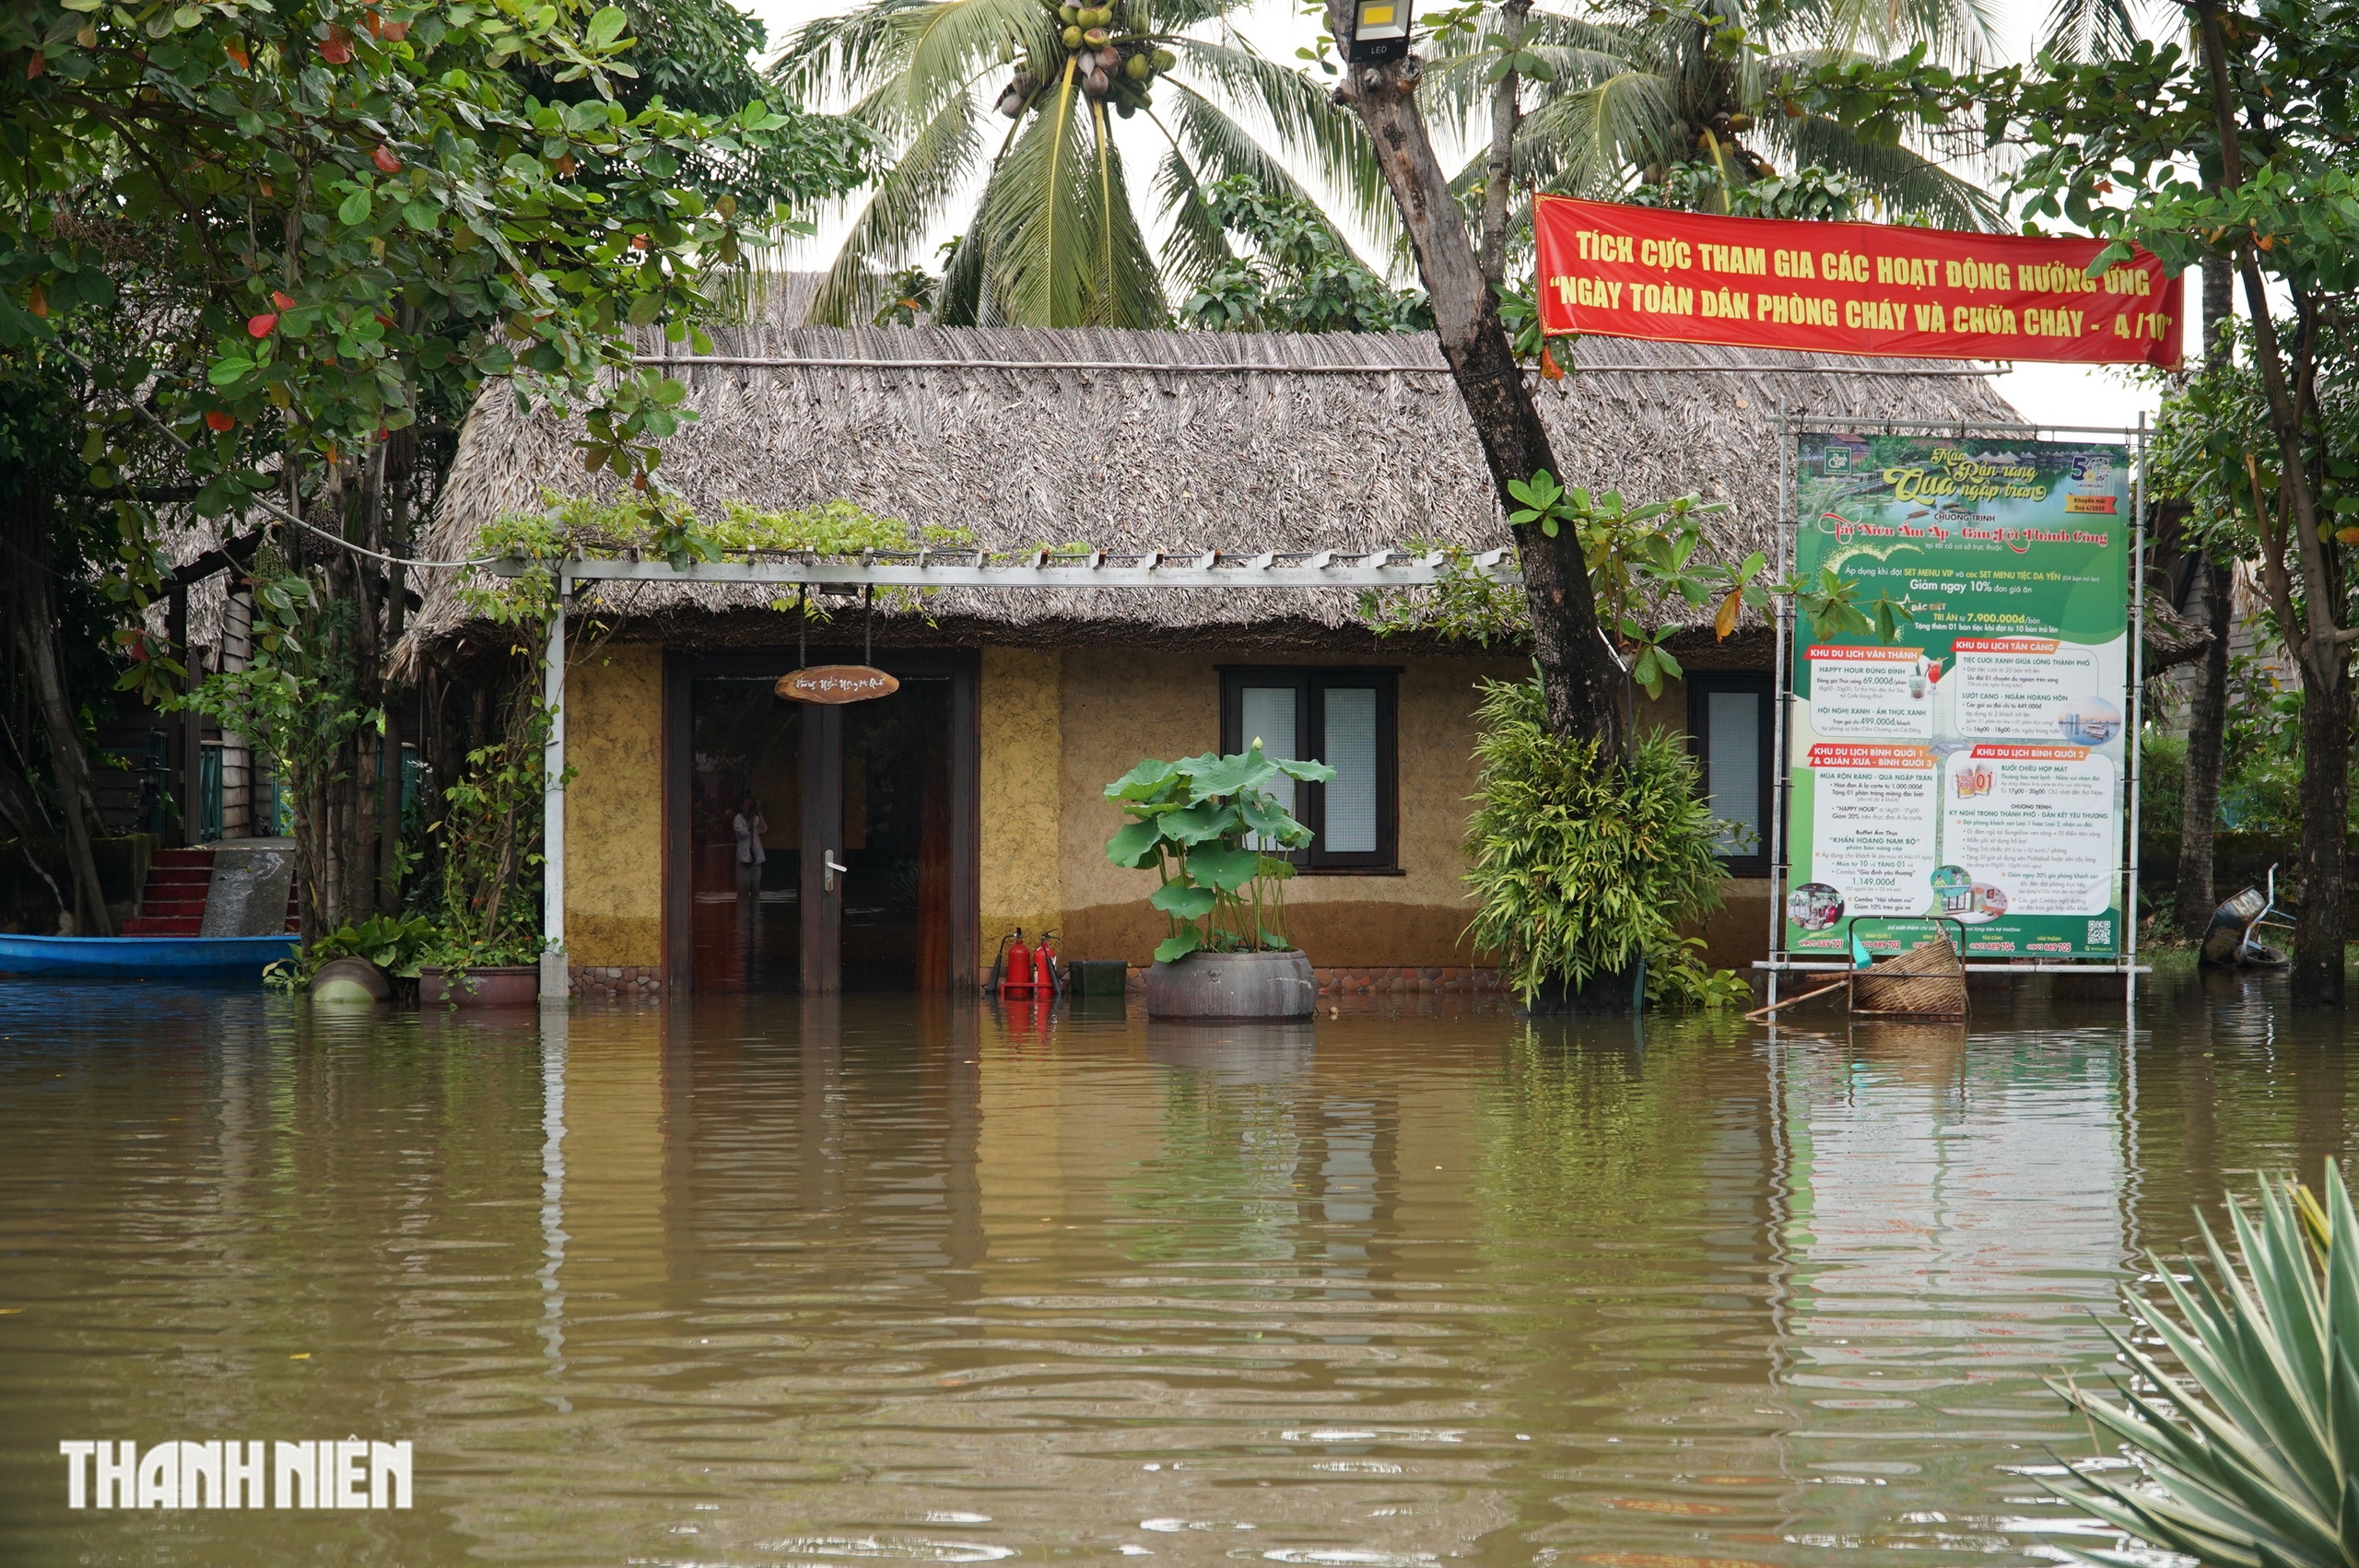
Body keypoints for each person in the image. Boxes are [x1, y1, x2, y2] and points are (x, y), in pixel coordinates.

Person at [733, 793, 768, 898]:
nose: (748, 806)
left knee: (756, 891)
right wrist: (752, 818)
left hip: (756, 859)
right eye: (746, 804)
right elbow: (744, 832)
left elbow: (763, 829)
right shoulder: (738, 819)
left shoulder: (756, 818)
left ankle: (755, 912)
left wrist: (758, 813)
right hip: (744, 860)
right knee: (743, 891)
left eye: (750, 804)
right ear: (741, 806)